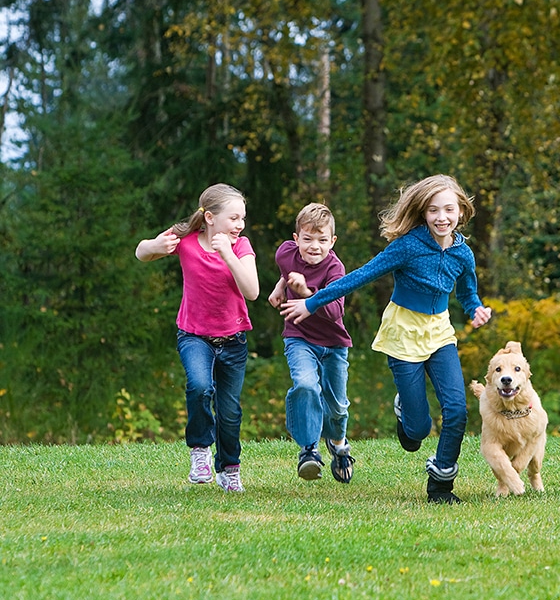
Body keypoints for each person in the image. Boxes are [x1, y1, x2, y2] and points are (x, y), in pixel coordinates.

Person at [280, 174, 492, 504]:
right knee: (417, 432)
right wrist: (312, 302)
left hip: (439, 333)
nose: (442, 217)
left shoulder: (463, 254)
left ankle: (440, 485)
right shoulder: (408, 246)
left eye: (449, 210)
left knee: (457, 410)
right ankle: (406, 413)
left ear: (461, 212)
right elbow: (360, 276)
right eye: (434, 210)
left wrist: (476, 309)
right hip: (403, 334)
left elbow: (468, 293)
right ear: (423, 213)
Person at [135, 184, 259, 493]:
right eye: (233, 218)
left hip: (233, 341)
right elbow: (141, 251)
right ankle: (200, 452)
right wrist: (154, 246)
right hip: (194, 336)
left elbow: (252, 291)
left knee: (230, 412)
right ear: (210, 218)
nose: (240, 225)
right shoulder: (186, 241)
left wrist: (228, 254)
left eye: (242, 218)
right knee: (200, 386)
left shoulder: (240, 247)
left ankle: (229, 468)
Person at [268, 203, 356, 484]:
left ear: (332, 241)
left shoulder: (335, 268)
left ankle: (339, 445)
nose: (314, 246)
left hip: (334, 343)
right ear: (296, 239)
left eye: (322, 240)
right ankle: (309, 450)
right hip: (299, 337)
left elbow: (334, 312)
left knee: (337, 405)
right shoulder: (285, 253)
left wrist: (307, 293)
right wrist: (281, 285)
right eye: (307, 239)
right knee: (306, 385)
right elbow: (286, 266)